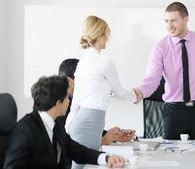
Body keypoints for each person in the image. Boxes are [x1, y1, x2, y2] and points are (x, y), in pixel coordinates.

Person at [134, 2, 195, 140]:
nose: (169, 26)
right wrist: (140, 92)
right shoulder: (161, 47)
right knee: (171, 156)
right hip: (174, 111)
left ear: (185, 19)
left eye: (174, 20)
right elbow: (152, 78)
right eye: (166, 21)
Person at [3, 75, 125, 169]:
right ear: (58, 103)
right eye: (67, 97)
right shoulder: (25, 131)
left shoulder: (56, 124)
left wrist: (106, 158)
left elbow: (78, 151)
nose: (69, 101)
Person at [65, 16, 135, 169]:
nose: (107, 38)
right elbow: (119, 91)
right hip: (89, 125)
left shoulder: (82, 63)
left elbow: (76, 101)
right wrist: (135, 96)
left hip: (80, 123)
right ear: (98, 35)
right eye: (106, 34)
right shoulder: (104, 62)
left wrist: (68, 126)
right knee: (86, 165)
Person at [58, 58, 135, 145]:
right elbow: (68, 145)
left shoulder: (78, 100)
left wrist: (114, 136)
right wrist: (104, 140)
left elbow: (85, 130)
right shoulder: (58, 108)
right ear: (69, 81)